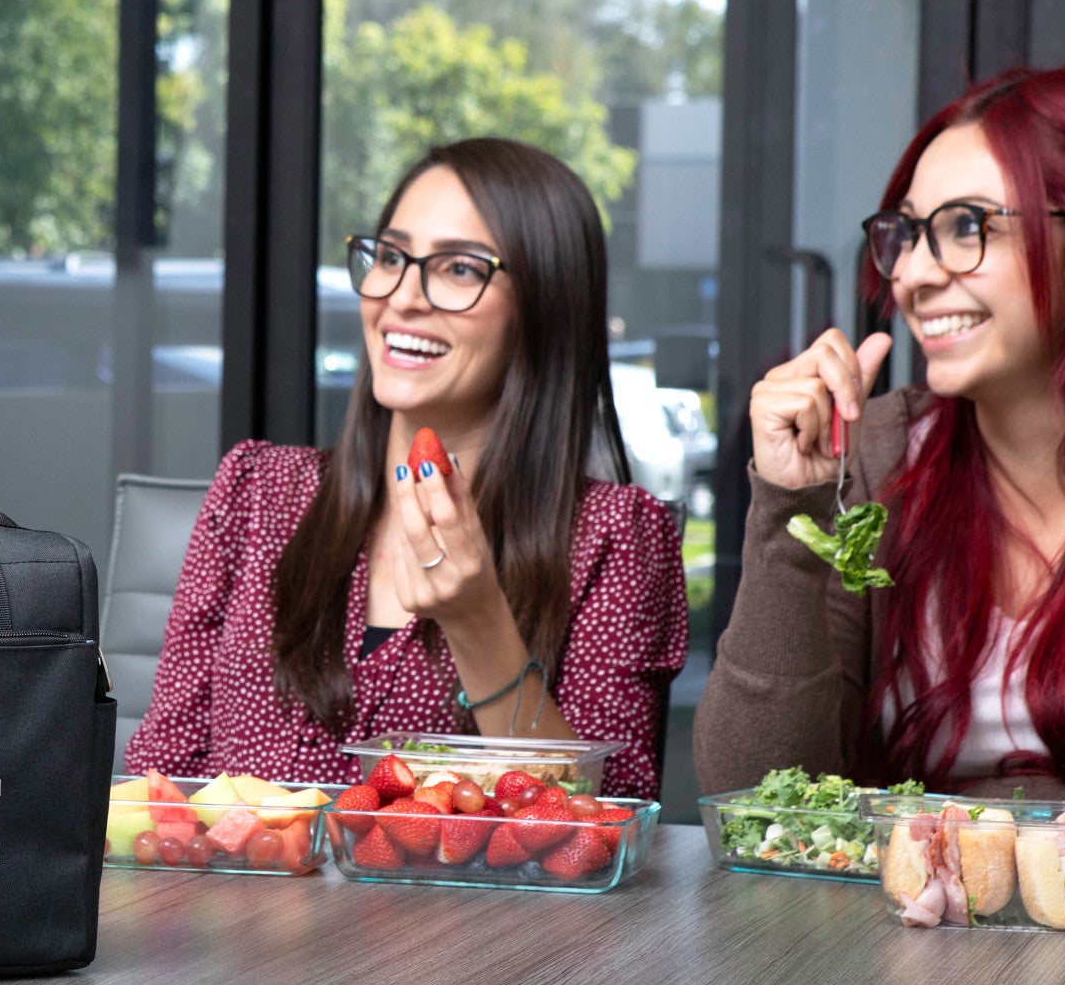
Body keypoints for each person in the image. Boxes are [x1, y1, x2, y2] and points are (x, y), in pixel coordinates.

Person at [125, 138, 690, 798]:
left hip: (468, 907)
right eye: (391, 256)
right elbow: (156, 785)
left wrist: (479, 622)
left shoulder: (617, 538)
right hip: (241, 900)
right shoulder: (257, 491)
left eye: (457, 269)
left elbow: (602, 826)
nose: (402, 297)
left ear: (544, 308)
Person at [696, 42, 1065, 819]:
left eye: (966, 225)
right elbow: (757, 799)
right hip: (902, 929)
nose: (909, 273)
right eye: (905, 233)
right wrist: (789, 506)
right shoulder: (873, 454)